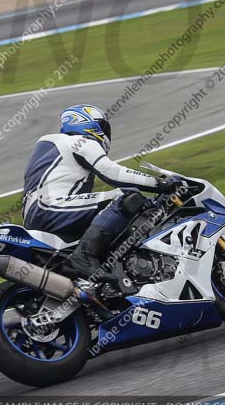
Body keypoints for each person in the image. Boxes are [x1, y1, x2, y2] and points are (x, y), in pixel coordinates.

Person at [22, 104, 179, 282]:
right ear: (89, 124)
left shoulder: (51, 146)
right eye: (103, 127)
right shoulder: (79, 141)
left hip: (38, 214)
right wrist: (160, 183)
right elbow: (114, 173)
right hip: (51, 207)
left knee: (110, 207)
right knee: (126, 196)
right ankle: (84, 256)